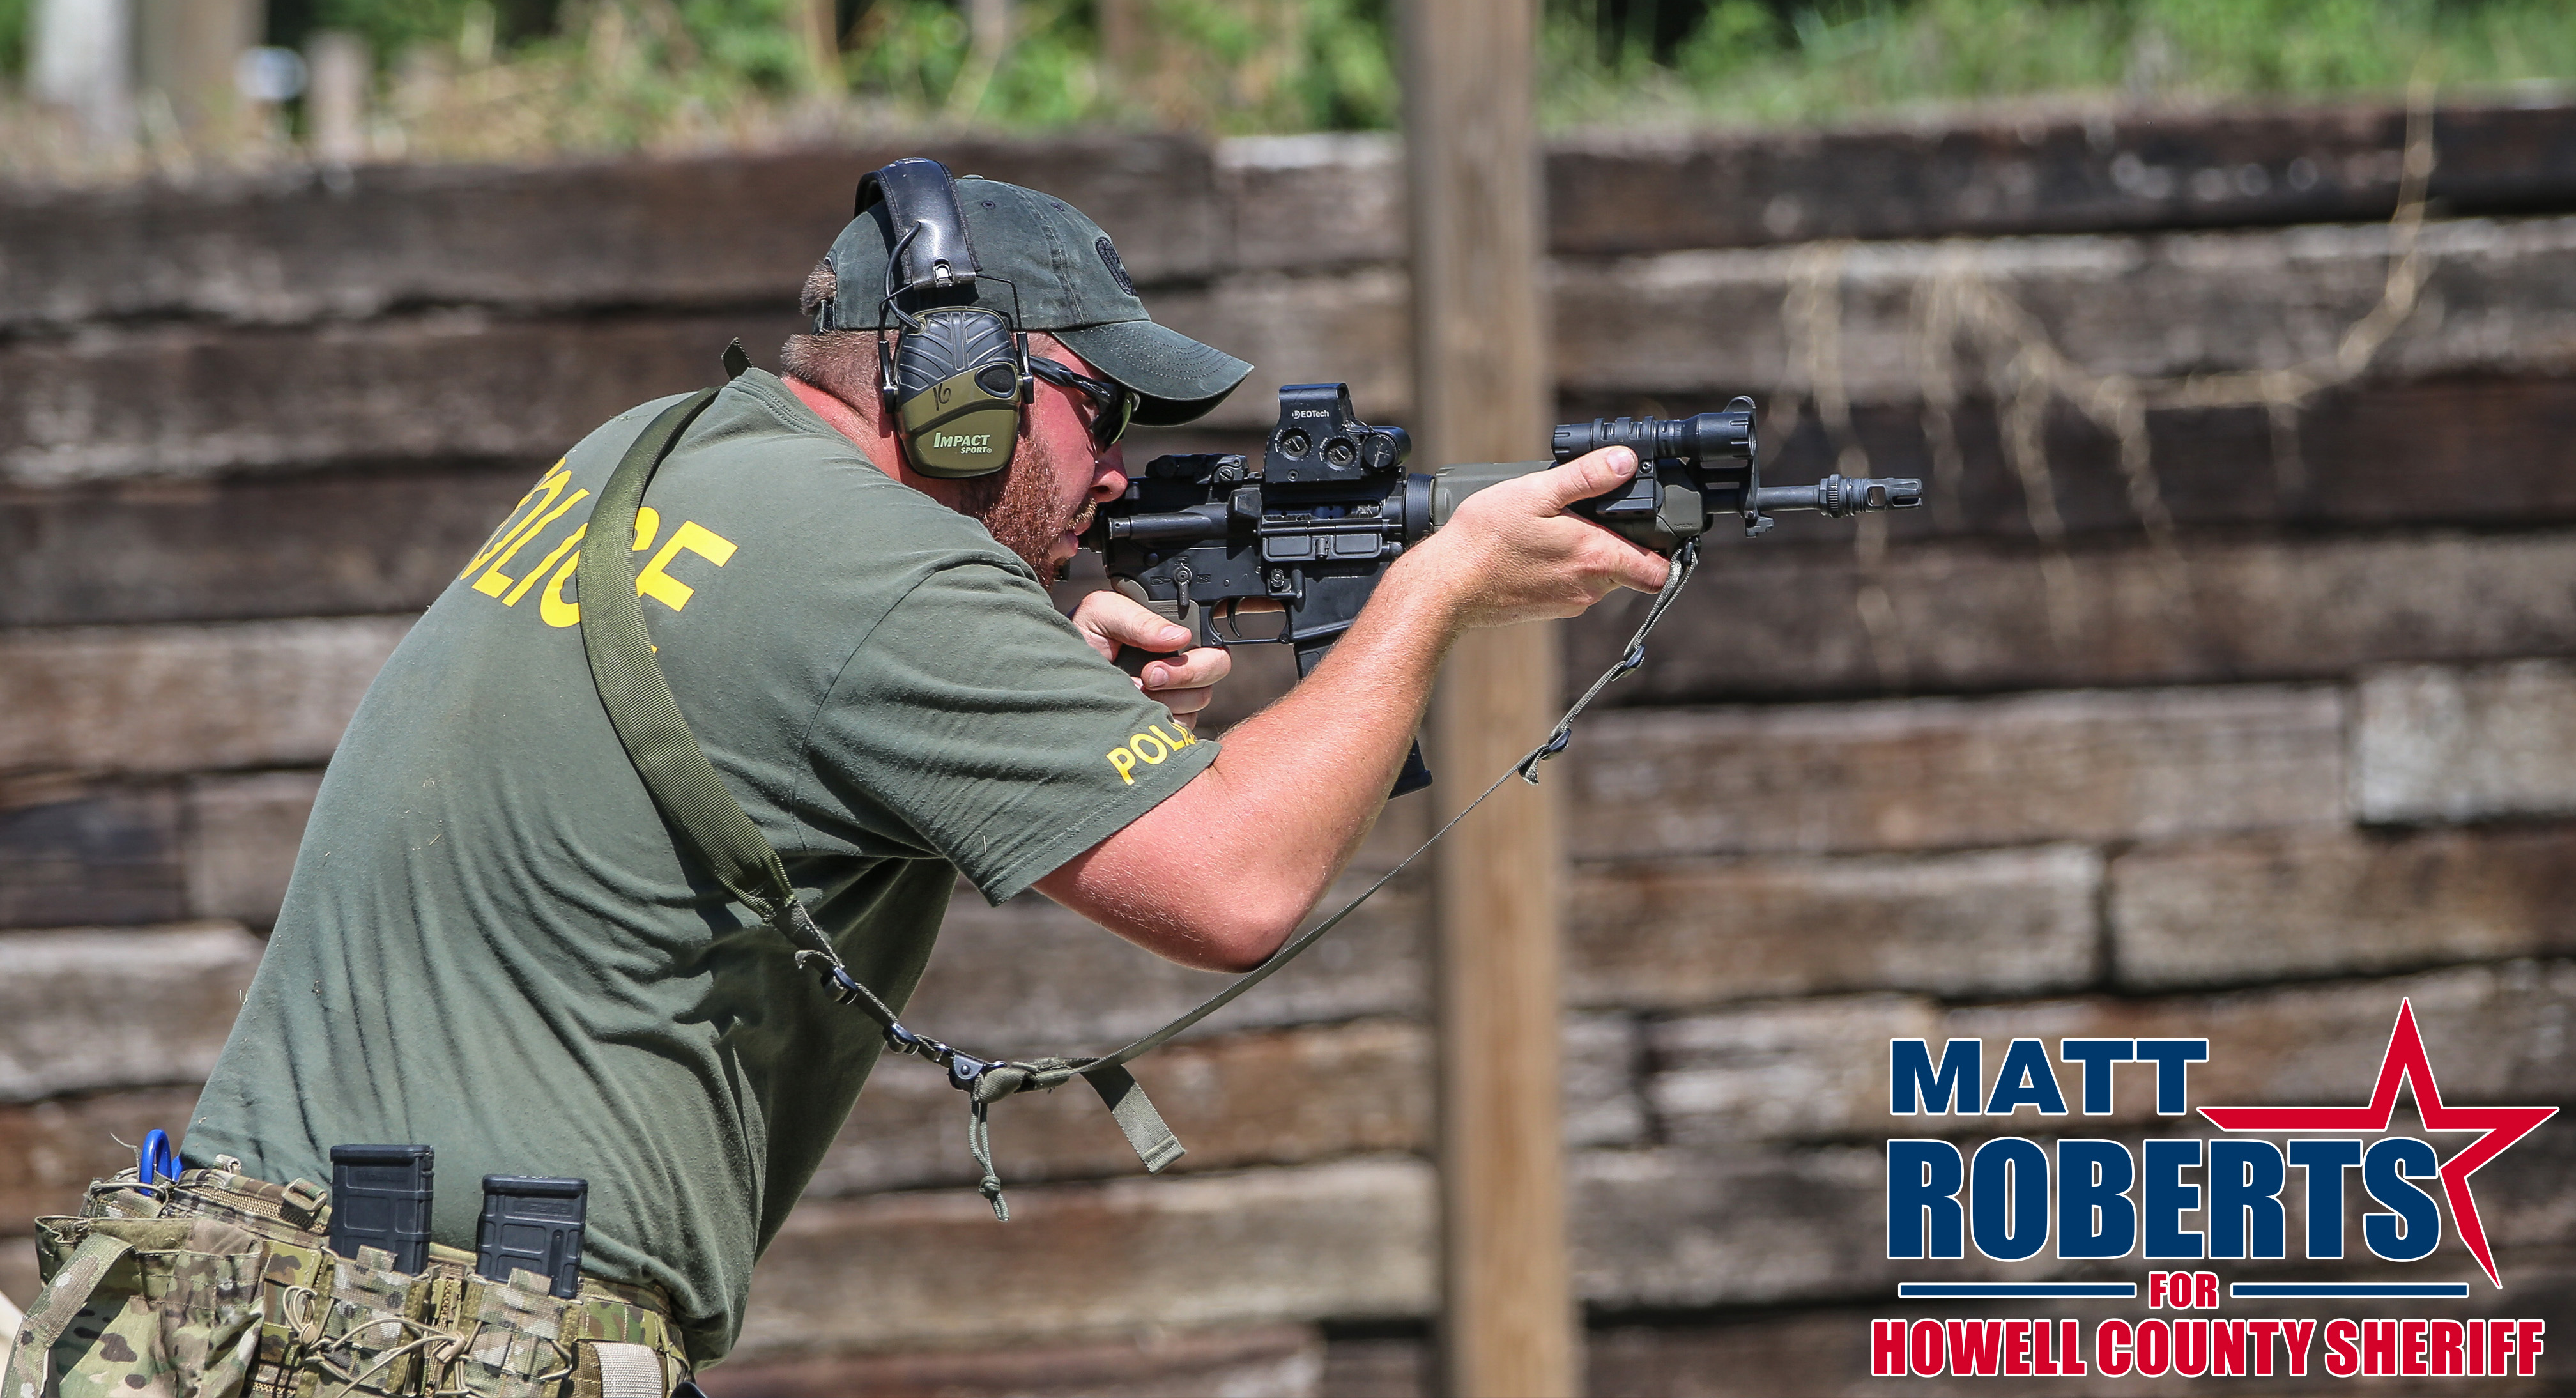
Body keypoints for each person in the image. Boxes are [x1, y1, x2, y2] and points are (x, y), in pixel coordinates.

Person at [11, 165, 1666, 1397]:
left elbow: (766, 675)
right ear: (967, 388)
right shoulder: (892, 587)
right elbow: (1233, 883)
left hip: (196, 1311)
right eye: (1100, 417)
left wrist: (1023, 659)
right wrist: (1436, 590)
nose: (1117, 476)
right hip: (443, 1350)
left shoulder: (650, 451)